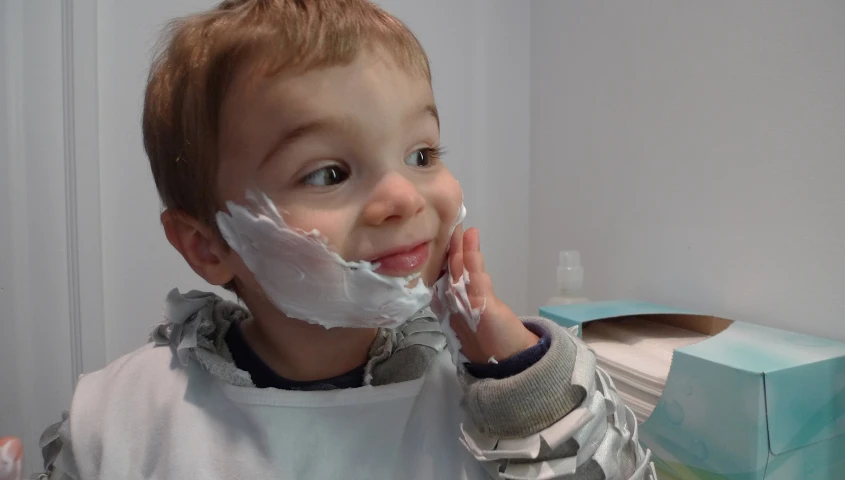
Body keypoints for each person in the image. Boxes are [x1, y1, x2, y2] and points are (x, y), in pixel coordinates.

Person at [33, 1, 657, 479]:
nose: (406, 199)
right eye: (329, 173)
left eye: (422, 152)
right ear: (207, 246)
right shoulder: (127, 419)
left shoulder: (490, 403)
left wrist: (526, 384)